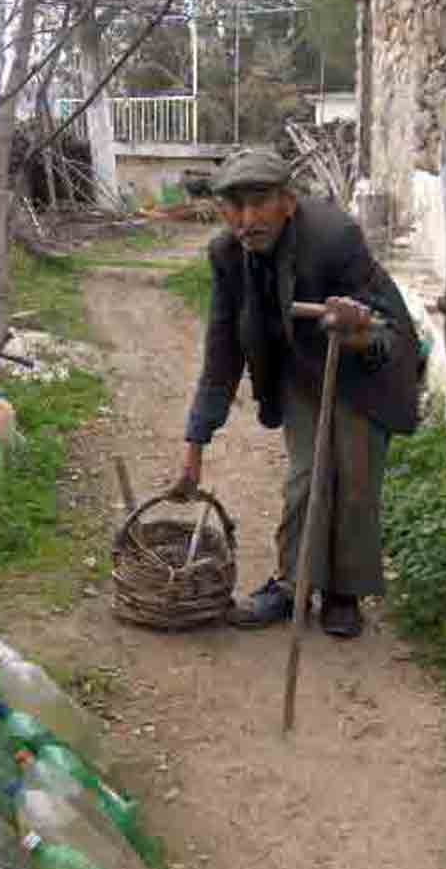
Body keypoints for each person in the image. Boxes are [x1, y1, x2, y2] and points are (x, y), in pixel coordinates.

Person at [171, 148, 420, 639]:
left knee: (354, 477)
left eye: (258, 202)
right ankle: (294, 585)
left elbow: (385, 329)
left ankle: (345, 592)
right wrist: (193, 447)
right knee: (306, 479)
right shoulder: (226, 256)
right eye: (233, 206)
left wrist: (354, 327)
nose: (246, 220)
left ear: (288, 201)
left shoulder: (335, 237)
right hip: (299, 370)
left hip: (365, 368)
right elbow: (221, 355)